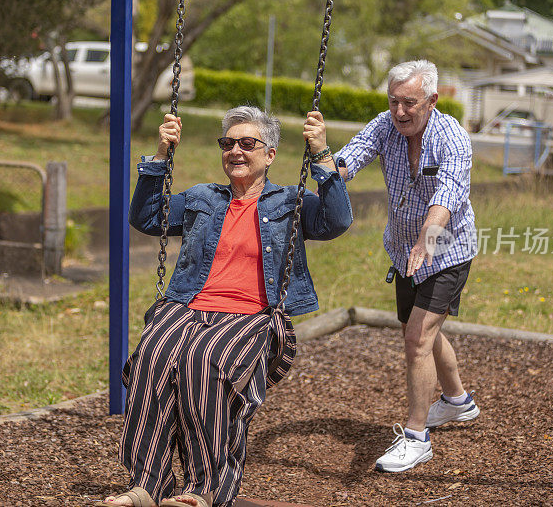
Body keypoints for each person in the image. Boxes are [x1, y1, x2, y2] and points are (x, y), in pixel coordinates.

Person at [100, 106, 352, 507]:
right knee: (152, 359)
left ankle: (204, 488)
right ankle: (149, 484)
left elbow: (335, 221)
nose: (236, 150)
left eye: (247, 143)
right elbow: (147, 217)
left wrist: (321, 154)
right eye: (228, 143)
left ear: (269, 154)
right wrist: (162, 155)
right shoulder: (204, 198)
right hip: (187, 306)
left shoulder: (289, 201)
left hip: (253, 315)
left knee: (204, 362)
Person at [335, 60, 479, 473]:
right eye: (394, 101)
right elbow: (350, 159)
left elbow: (448, 196)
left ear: (432, 101)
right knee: (420, 332)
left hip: (446, 248)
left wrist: (426, 241)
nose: (400, 112)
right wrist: (323, 162)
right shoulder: (386, 125)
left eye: (410, 103)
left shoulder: (452, 138)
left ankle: (417, 438)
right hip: (404, 250)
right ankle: (457, 401)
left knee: (418, 336)